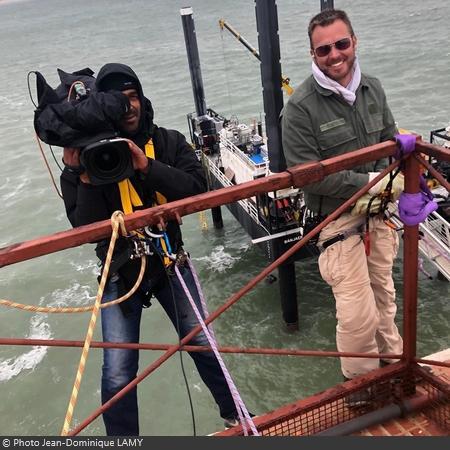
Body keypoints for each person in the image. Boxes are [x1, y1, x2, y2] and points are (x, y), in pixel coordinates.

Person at [60, 63, 240, 434]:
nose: (128, 107)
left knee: (201, 342)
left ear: (142, 98)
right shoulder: (88, 159)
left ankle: (236, 415)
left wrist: (146, 166)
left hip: (169, 258)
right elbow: (86, 229)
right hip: (121, 269)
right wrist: (83, 175)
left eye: (132, 97)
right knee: (118, 369)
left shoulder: (169, 142)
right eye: (117, 101)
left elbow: (199, 191)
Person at [281, 9, 404, 398]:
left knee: (384, 297)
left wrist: (399, 180)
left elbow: (390, 140)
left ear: (354, 42)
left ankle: (397, 369)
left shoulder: (373, 88)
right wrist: (370, 182)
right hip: (335, 220)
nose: (334, 55)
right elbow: (307, 174)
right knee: (356, 314)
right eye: (323, 50)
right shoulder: (299, 108)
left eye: (341, 44)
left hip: (378, 214)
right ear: (312, 55)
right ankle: (362, 388)